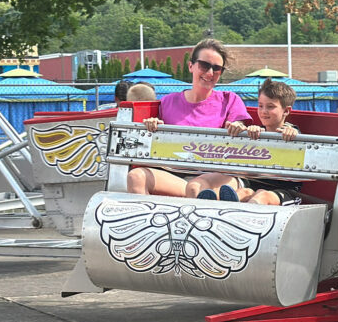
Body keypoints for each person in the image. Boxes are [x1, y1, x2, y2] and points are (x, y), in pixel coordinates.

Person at [126, 39, 252, 197]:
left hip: (219, 176)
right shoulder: (168, 102)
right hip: (177, 176)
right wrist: (152, 126)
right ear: (191, 66)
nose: (210, 73)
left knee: (196, 187)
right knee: (136, 176)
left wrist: (238, 127)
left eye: (217, 68)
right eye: (204, 65)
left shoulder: (230, 100)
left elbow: (240, 126)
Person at [193, 78, 301, 204]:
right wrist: (246, 133)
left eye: (270, 107)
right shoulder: (258, 131)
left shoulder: (291, 131)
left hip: (284, 190)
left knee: (262, 196)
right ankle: (218, 206)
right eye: (260, 106)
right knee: (243, 192)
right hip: (254, 183)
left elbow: (295, 134)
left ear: (286, 111)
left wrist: (292, 133)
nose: (264, 111)